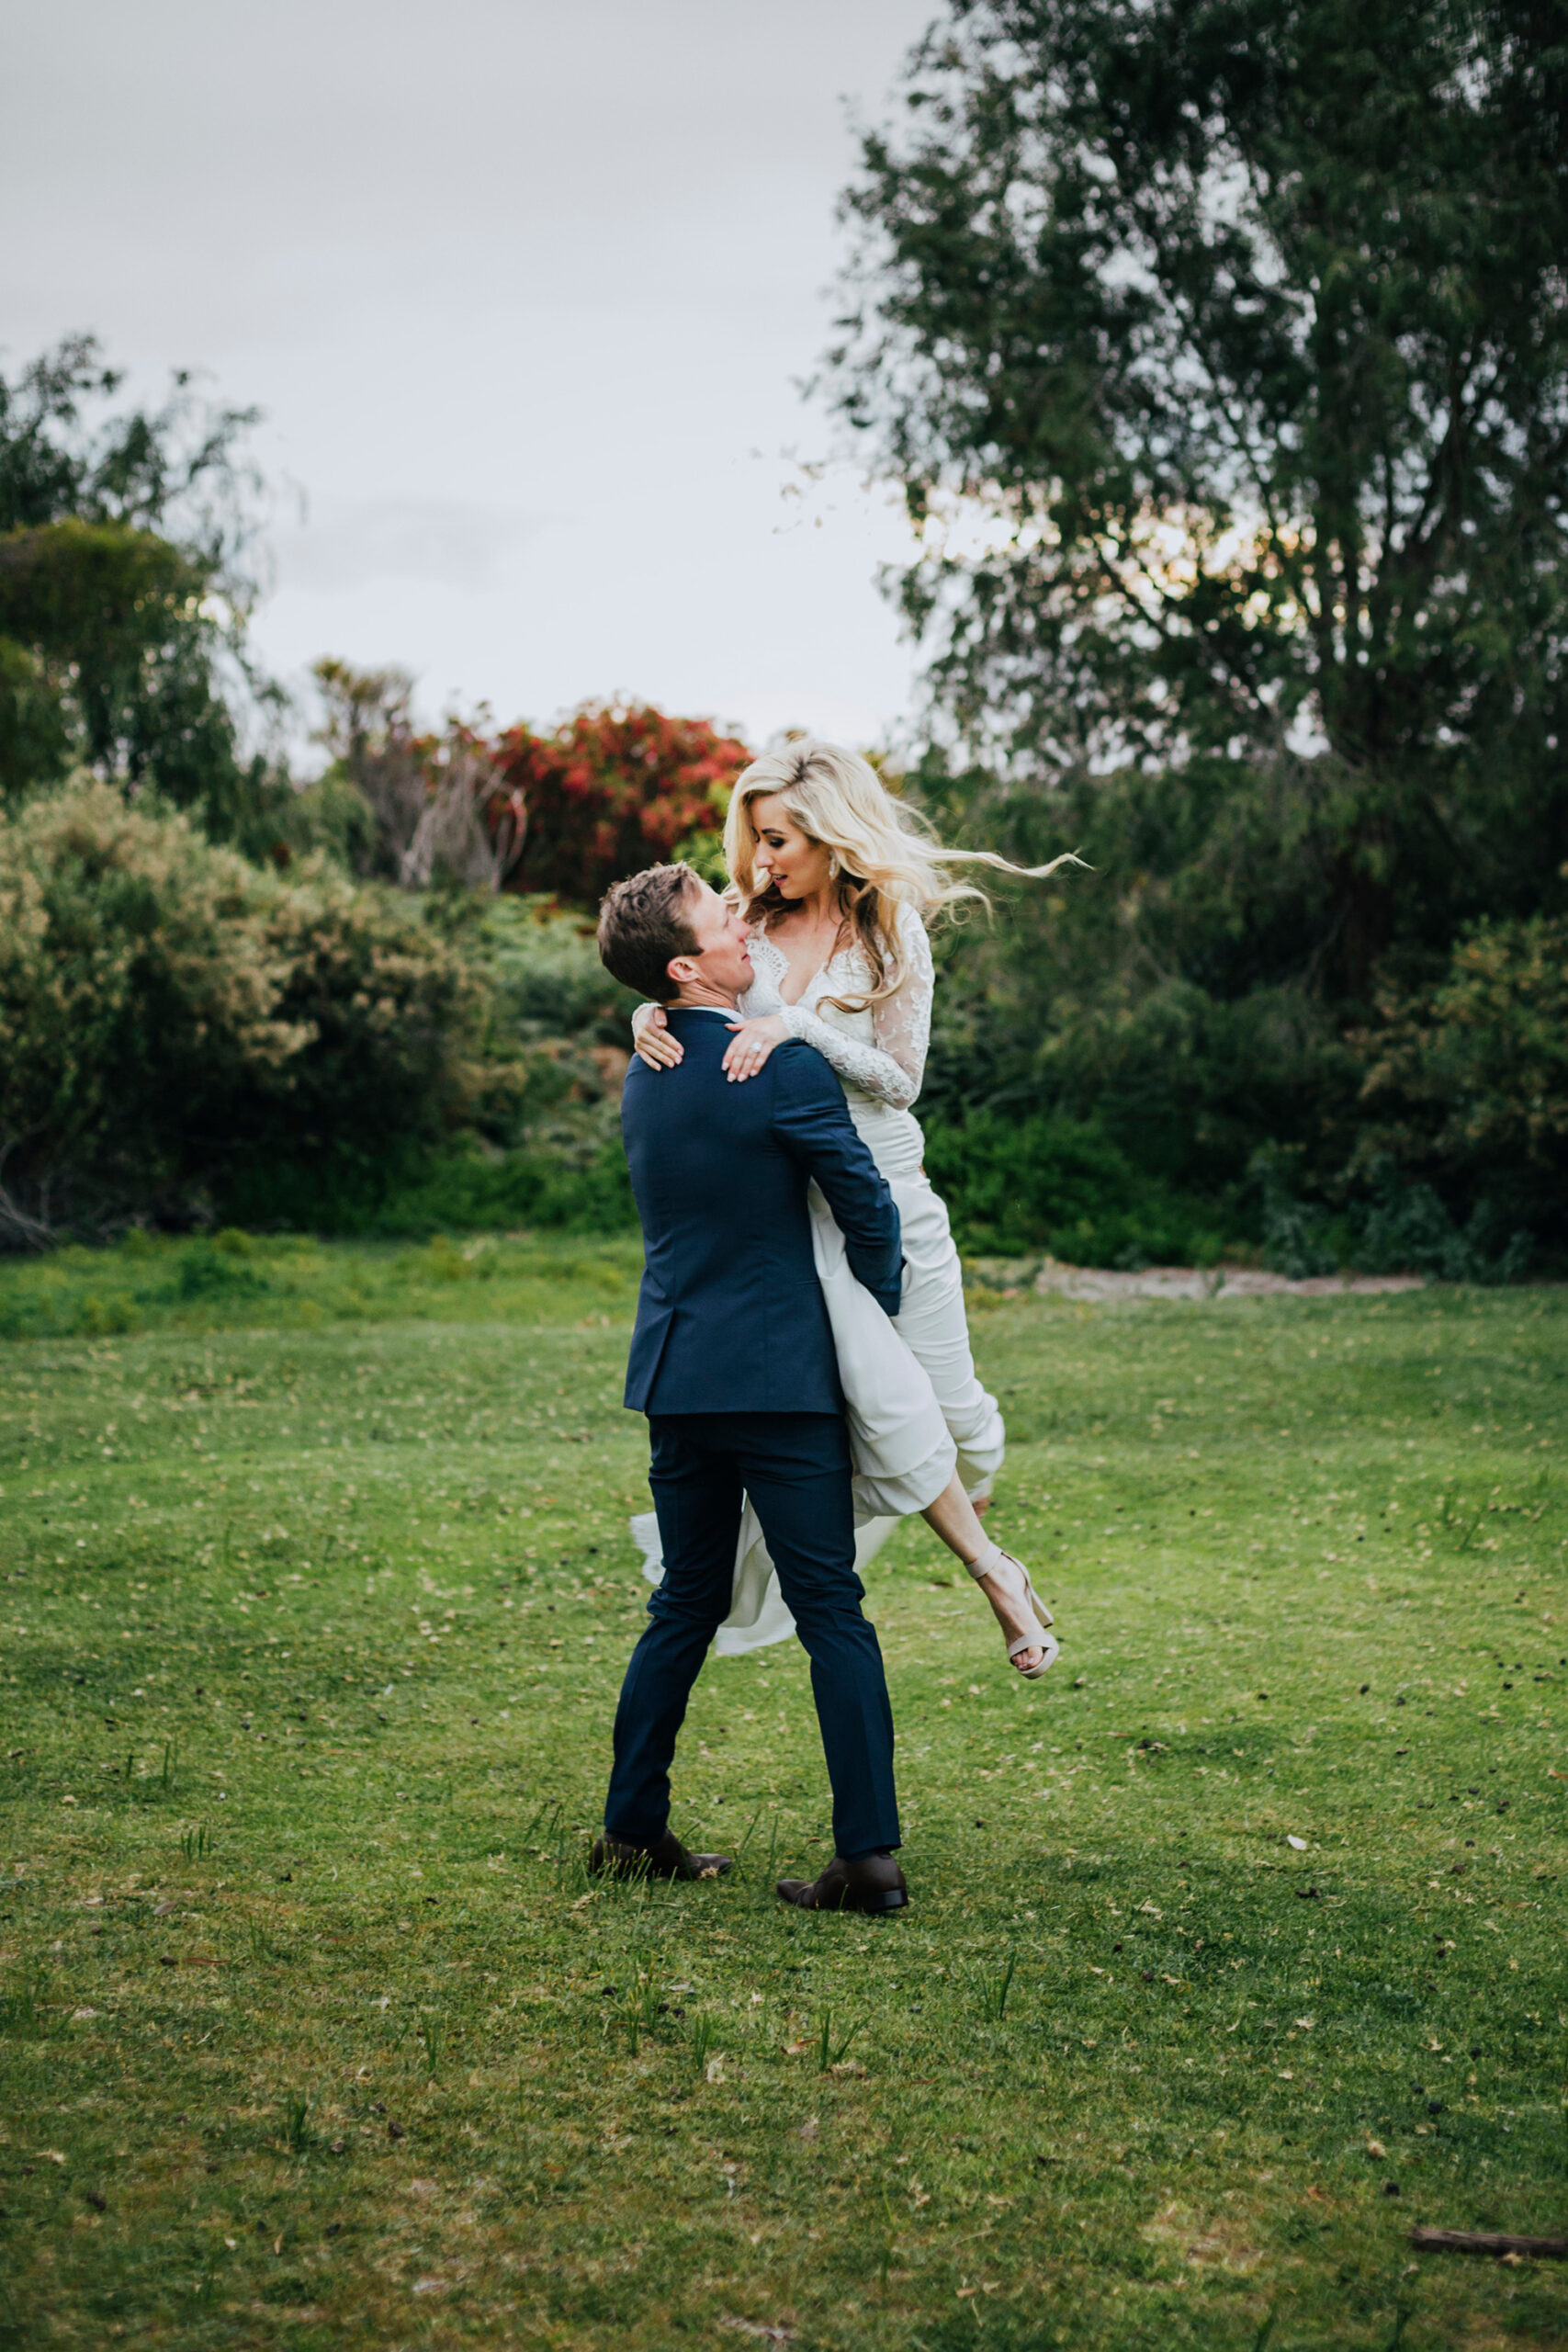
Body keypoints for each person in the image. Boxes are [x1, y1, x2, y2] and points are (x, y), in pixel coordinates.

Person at [630, 739, 1075, 1679]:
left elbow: (900, 1082)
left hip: (892, 1199)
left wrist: (795, 1028)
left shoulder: (888, 933)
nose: (760, 864)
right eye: (754, 840)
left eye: (781, 840)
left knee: (950, 1411)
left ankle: (977, 1474)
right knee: (883, 1396)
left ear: (833, 837)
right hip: (802, 1213)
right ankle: (999, 1580)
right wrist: (646, 1014)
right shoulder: (744, 918)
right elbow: (680, 973)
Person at [591, 858, 913, 1915]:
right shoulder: (774, 1065)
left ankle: (633, 1828)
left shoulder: (648, 1063)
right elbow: (866, 1205)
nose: (742, 918)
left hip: (681, 1374)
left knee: (682, 1601)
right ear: (688, 965)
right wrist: (877, 1318)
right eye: (719, 916)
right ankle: (868, 1857)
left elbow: (665, 1006)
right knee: (832, 1608)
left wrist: (652, 1003)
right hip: (780, 1381)